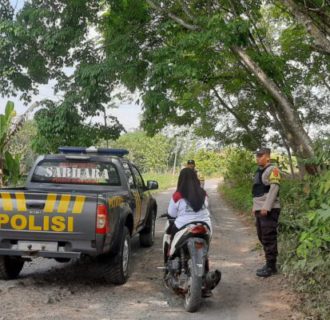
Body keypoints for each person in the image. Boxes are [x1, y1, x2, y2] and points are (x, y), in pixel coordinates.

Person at [252, 147, 281, 277]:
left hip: (269, 209)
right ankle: (269, 262)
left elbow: (274, 189)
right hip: (259, 208)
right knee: (261, 236)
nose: (258, 158)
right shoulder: (259, 171)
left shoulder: (273, 170)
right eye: (257, 156)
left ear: (268, 157)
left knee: (269, 236)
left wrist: (266, 207)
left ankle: (271, 266)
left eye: (260, 155)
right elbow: (257, 192)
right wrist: (255, 208)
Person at [167, 167, 211, 236]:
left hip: (183, 226)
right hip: (205, 226)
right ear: (195, 178)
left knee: (170, 238)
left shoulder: (177, 195)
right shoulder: (203, 193)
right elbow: (206, 205)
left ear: (181, 179)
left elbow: (171, 213)